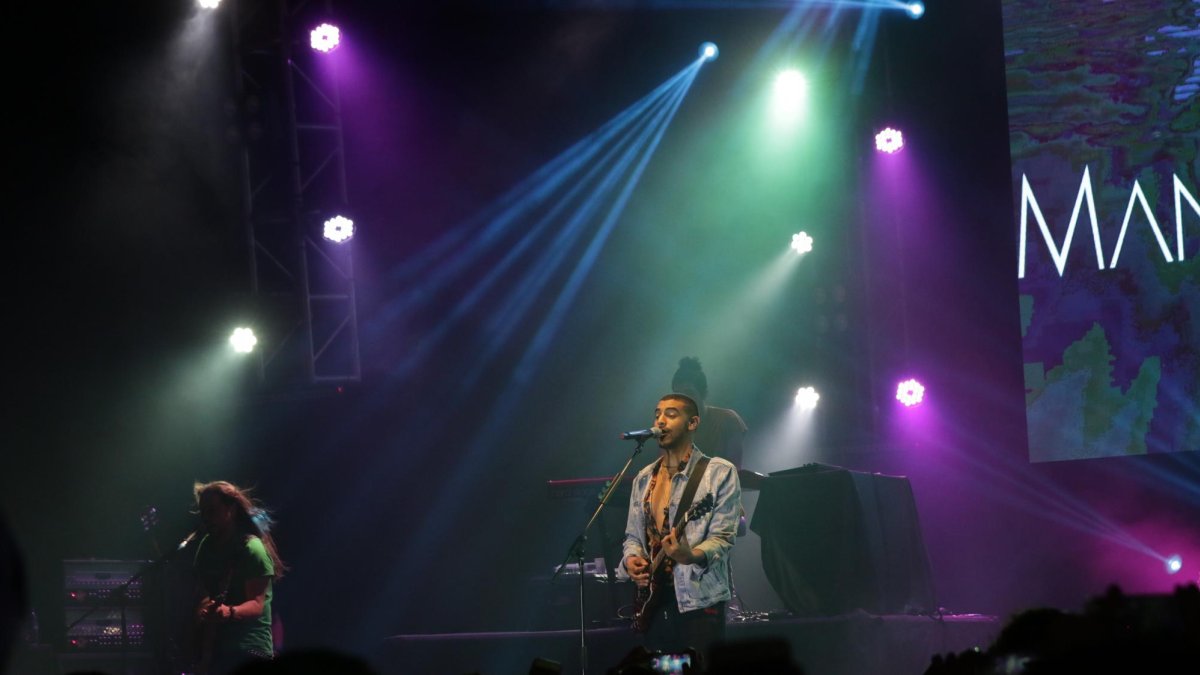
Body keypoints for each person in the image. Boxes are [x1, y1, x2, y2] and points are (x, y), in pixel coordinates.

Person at [618, 393, 741, 668]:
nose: (661, 420)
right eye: (657, 414)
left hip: (699, 601)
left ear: (692, 423)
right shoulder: (643, 478)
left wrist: (691, 555)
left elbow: (723, 538)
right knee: (660, 669)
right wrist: (631, 559)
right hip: (653, 602)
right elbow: (633, 537)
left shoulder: (719, 473)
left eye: (671, 414)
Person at [191, 481, 286, 675]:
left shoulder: (252, 548)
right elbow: (205, 594)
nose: (206, 517)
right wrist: (203, 609)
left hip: (250, 650)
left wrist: (229, 612)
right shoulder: (206, 548)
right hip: (216, 650)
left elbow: (257, 605)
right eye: (203, 512)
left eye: (212, 511)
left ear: (231, 509)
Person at [670, 357, 747, 469]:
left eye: (689, 393)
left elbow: (734, 470)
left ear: (704, 394)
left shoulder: (728, 419)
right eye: (678, 395)